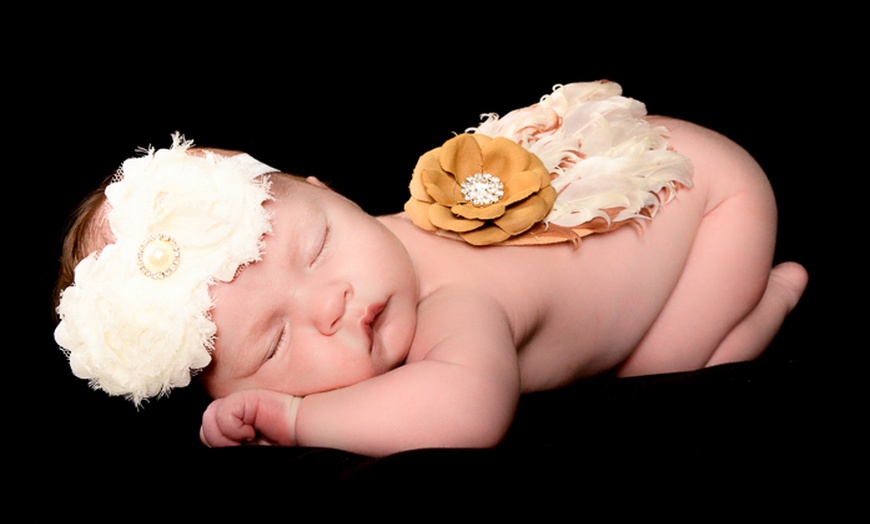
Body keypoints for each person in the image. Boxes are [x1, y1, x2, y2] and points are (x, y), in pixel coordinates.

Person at [54, 81, 808, 457]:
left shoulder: (456, 303)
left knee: (662, 371)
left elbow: (470, 412)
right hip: (673, 183)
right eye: (275, 343)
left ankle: (765, 301)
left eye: (317, 248)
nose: (332, 302)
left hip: (708, 201)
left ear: (328, 192)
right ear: (221, 390)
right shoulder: (367, 258)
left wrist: (298, 417)